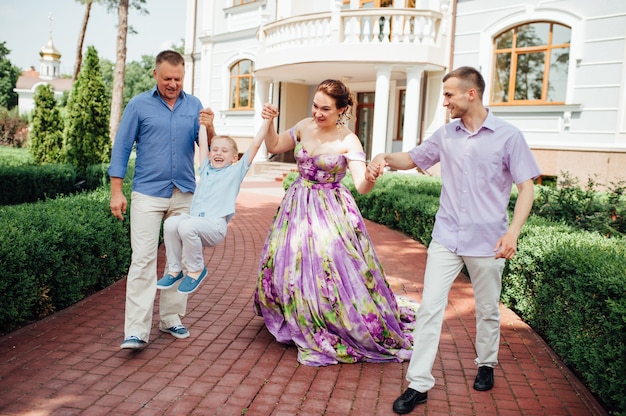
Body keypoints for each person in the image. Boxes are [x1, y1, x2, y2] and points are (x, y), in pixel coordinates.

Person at [366, 66, 541, 414]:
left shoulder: (508, 136)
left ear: (470, 94)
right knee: (430, 309)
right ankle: (418, 385)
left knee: (488, 309)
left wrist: (513, 232)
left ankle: (486, 363)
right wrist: (383, 157)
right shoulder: (447, 134)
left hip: (489, 241)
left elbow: (527, 189)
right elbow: (412, 158)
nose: (444, 102)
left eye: (449, 95)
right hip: (446, 237)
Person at [253, 79, 416, 367]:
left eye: (325, 109)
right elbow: (276, 145)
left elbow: (362, 185)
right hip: (297, 204)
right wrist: (268, 123)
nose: (317, 113)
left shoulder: (348, 140)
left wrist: (373, 174)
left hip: (330, 208)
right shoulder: (304, 125)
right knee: (290, 260)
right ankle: (295, 314)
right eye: (315, 106)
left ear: (341, 110)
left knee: (330, 265)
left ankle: (331, 318)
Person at [108, 49, 216, 350]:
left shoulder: (194, 105)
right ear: (155, 74)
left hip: (184, 193)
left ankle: (170, 319)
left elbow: (208, 148)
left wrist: (209, 126)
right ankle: (135, 331)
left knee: (178, 260)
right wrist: (116, 192)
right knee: (142, 260)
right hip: (147, 194)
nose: (173, 84)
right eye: (167, 78)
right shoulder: (138, 105)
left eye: (178, 79)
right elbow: (121, 148)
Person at [156, 114, 269, 296]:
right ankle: (175, 270)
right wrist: (202, 125)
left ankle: (197, 270)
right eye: (215, 150)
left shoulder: (235, 172)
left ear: (234, 158)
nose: (218, 153)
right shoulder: (206, 168)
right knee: (170, 224)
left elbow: (255, 145)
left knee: (186, 225)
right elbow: (202, 144)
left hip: (215, 227)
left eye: (224, 151)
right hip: (195, 222)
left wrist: (267, 121)